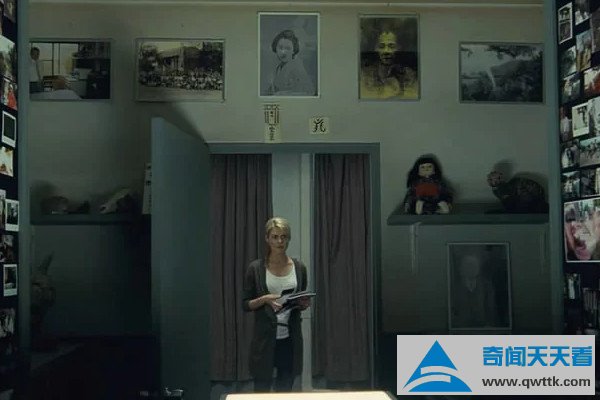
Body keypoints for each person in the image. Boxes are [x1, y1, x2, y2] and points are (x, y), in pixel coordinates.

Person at [242, 217, 310, 392]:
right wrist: (264, 299)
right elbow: (245, 304)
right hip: (264, 339)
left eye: (283, 237)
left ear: (288, 239)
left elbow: (300, 297)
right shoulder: (256, 268)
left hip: (290, 338)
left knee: (285, 390)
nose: (280, 241)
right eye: (275, 237)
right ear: (267, 238)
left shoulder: (299, 268)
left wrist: (302, 303)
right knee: (261, 390)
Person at [360, 30, 418, 99]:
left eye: (392, 46)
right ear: (376, 48)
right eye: (381, 46)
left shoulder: (410, 75)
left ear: (399, 48)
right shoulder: (365, 75)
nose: (386, 51)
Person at [451, 253, 498, 328]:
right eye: (468, 265)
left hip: (483, 327)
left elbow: (491, 308)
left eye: (474, 265)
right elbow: (452, 311)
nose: (472, 268)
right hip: (461, 328)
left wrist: (489, 325)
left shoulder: (487, 286)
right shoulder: (454, 287)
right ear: (461, 269)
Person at [266, 30, 315, 96]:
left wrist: (281, 94)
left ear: (293, 50)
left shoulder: (297, 66)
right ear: (275, 48)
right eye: (280, 48)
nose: (283, 52)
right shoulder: (279, 67)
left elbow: (310, 92)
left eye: (287, 48)